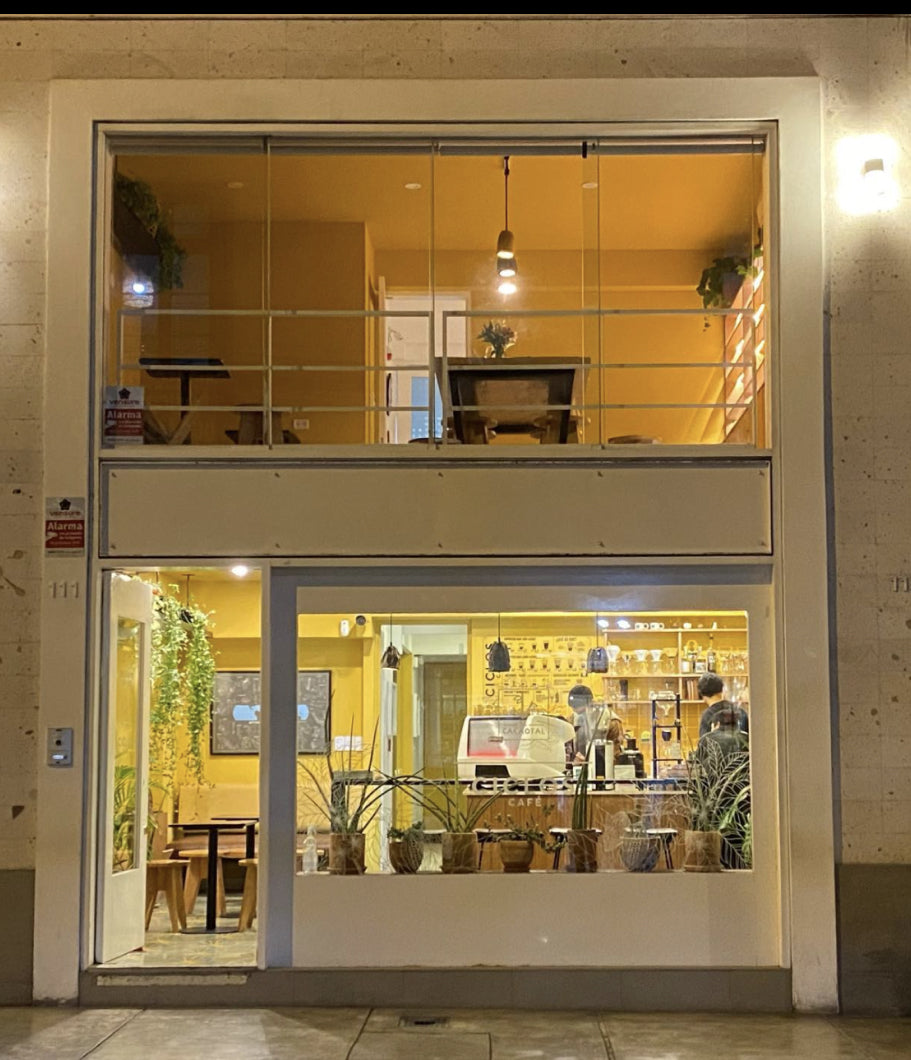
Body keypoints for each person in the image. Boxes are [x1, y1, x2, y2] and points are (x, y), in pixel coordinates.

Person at [694, 706, 750, 868]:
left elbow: (698, 769)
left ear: (716, 724)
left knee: (718, 842)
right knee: (738, 839)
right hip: (742, 799)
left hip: (714, 800)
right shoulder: (747, 739)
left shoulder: (707, 739)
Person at [697, 672, 748, 739]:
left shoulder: (707, 716)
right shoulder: (741, 712)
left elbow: (704, 743)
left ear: (702, 695)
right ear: (722, 690)